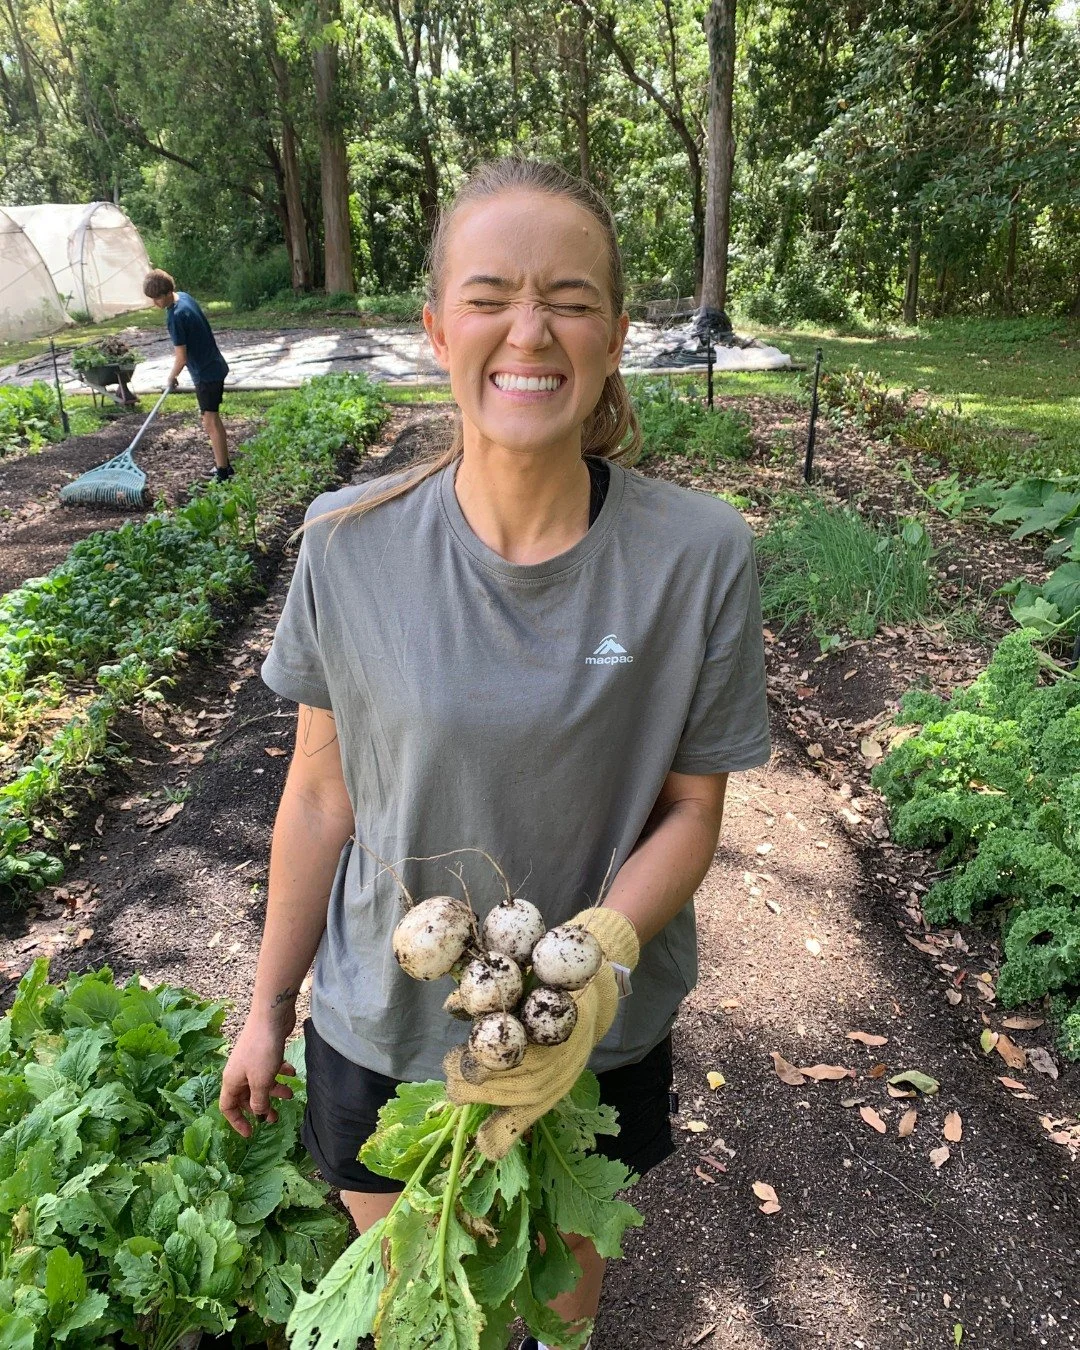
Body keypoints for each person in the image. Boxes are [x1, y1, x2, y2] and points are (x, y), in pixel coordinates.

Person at [219, 158, 771, 1350]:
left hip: (590, 1036)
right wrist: (266, 1009)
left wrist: (596, 955)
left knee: (558, 1311)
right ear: (436, 329)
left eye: (570, 301)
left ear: (615, 337)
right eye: (490, 297)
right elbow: (318, 796)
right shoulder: (347, 542)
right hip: (385, 1028)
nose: (531, 331)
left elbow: (693, 807)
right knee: (415, 1310)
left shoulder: (699, 556)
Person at [142, 269, 233, 482]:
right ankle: (225, 466)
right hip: (214, 366)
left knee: (210, 422)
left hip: (206, 373)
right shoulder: (183, 297)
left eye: (156, 298)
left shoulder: (175, 317)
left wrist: (171, 377)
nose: (154, 303)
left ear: (167, 293)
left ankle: (222, 473)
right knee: (212, 419)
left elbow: (181, 357)